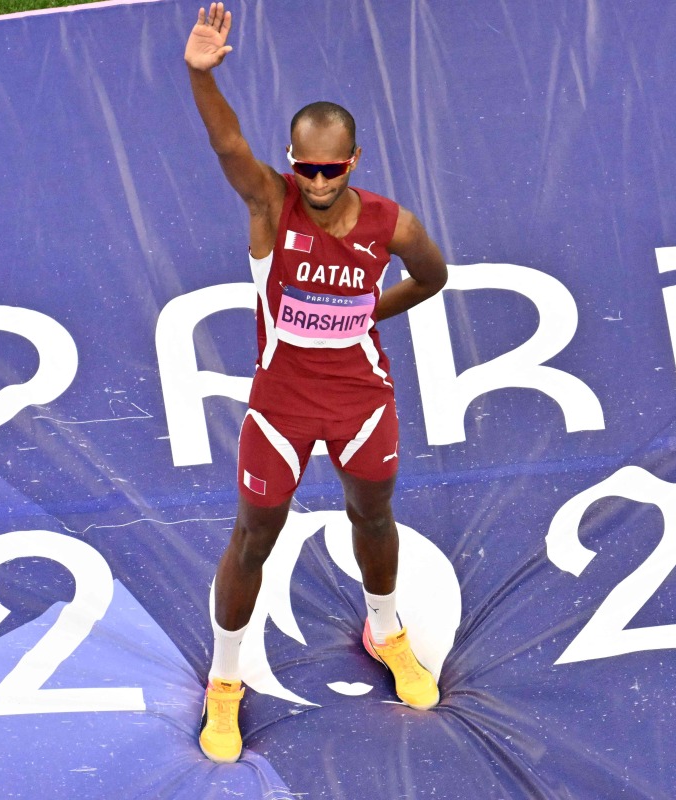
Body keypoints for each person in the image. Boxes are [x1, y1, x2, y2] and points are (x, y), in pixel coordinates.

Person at [184, 3, 449, 764]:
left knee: (373, 516)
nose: (320, 180)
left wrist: (370, 310)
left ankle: (386, 630)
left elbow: (432, 276)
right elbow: (227, 143)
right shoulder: (274, 204)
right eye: (307, 166)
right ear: (292, 161)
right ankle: (225, 681)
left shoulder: (390, 224)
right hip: (281, 407)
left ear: (355, 161)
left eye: (333, 168)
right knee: (253, 535)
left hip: (363, 402)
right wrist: (201, 77)